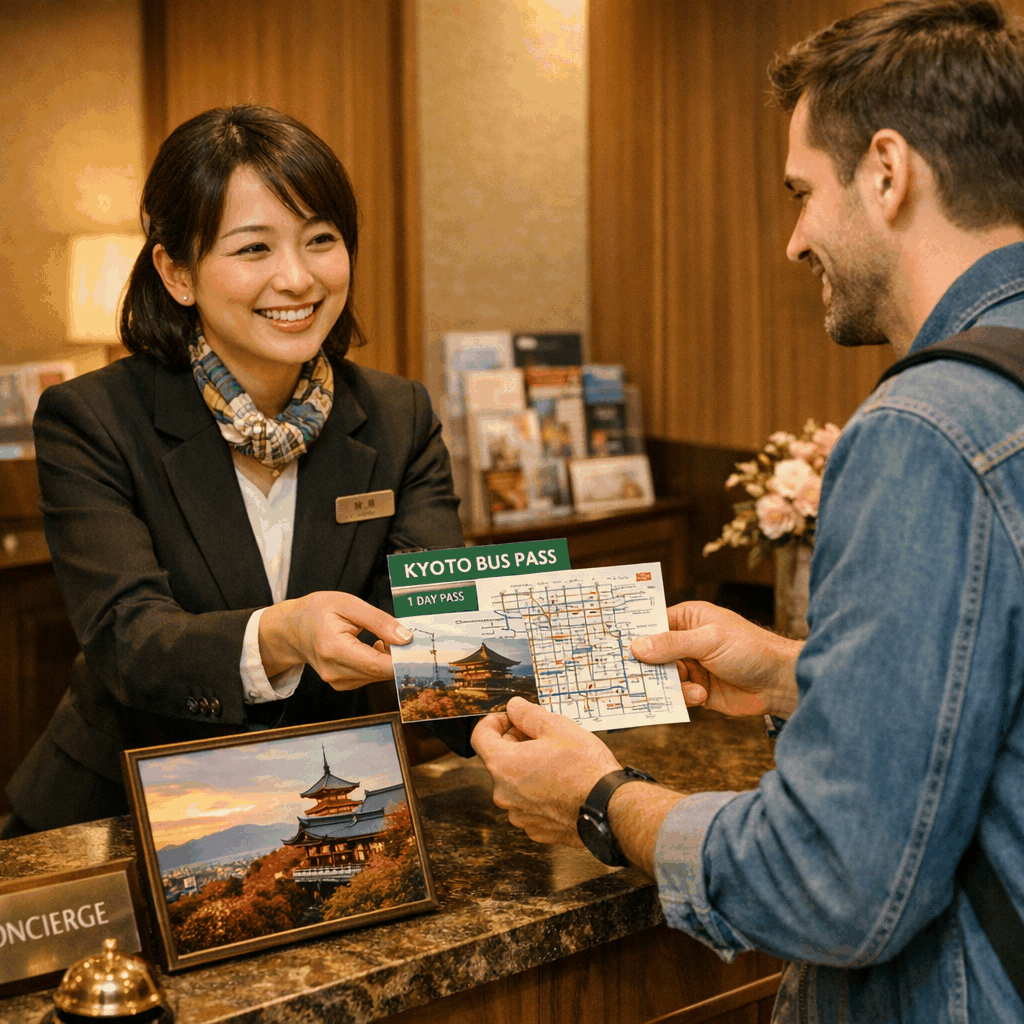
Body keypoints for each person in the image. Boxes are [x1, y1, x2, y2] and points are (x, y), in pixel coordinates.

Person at [472, 2, 1024, 1021]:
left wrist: (598, 800)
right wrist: (786, 671)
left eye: (801, 190)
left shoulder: (924, 428)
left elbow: (837, 882)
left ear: (889, 172)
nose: (793, 239)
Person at [3, 105, 465, 836]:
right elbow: (131, 641)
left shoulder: (397, 416)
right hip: (124, 818)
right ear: (177, 272)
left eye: (322, 240)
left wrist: (582, 675)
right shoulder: (92, 420)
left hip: (322, 814)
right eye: (254, 250)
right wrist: (285, 634)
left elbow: (435, 621)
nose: (297, 278)